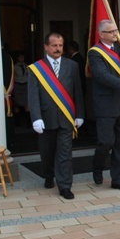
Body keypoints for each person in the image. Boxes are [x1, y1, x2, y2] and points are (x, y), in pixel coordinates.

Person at [28, 32, 85, 200]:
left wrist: (80, 114)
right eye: (54, 45)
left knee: (65, 153)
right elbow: (33, 95)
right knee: (47, 152)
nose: (58, 48)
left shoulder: (72, 65)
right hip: (46, 119)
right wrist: (36, 117)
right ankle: (48, 175)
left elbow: (77, 92)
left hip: (66, 118)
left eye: (60, 45)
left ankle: (65, 185)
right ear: (46, 47)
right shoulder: (36, 68)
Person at [88, 19, 120, 192]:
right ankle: (97, 166)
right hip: (106, 104)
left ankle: (118, 178)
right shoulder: (95, 53)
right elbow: (101, 75)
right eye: (111, 32)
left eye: (116, 31)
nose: (115, 34)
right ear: (101, 34)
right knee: (105, 142)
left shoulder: (119, 49)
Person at [12, 51, 30, 127]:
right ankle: (17, 123)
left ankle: (29, 123)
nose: (22, 59)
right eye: (20, 57)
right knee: (17, 105)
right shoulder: (14, 67)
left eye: (23, 57)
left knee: (27, 104)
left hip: (25, 86)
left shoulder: (27, 66)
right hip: (18, 86)